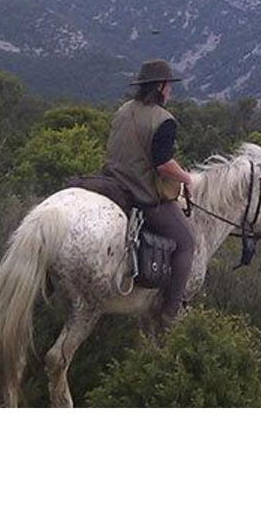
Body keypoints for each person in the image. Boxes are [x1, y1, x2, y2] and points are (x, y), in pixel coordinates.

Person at [102, 59, 196, 329]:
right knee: (186, 242)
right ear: (161, 87)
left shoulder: (122, 110)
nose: (171, 92)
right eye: (169, 87)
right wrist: (186, 177)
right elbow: (162, 163)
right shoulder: (164, 120)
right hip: (139, 192)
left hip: (111, 182)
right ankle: (170, 313)